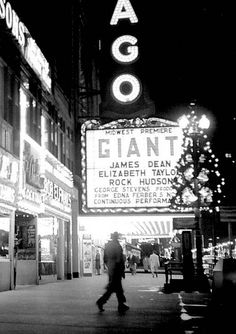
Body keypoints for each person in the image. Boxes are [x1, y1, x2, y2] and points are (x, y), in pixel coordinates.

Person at [96, 232, 129, 314]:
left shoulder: (108, 245)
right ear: (116, 237)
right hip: (116, 269)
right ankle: (102, 302)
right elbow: (119, 259)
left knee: (116, 288)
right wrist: (121, 270)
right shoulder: (117, 246)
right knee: (114, 288)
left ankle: (121, 305)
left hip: (111, 268)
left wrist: (109, 266)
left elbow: (105, 258)